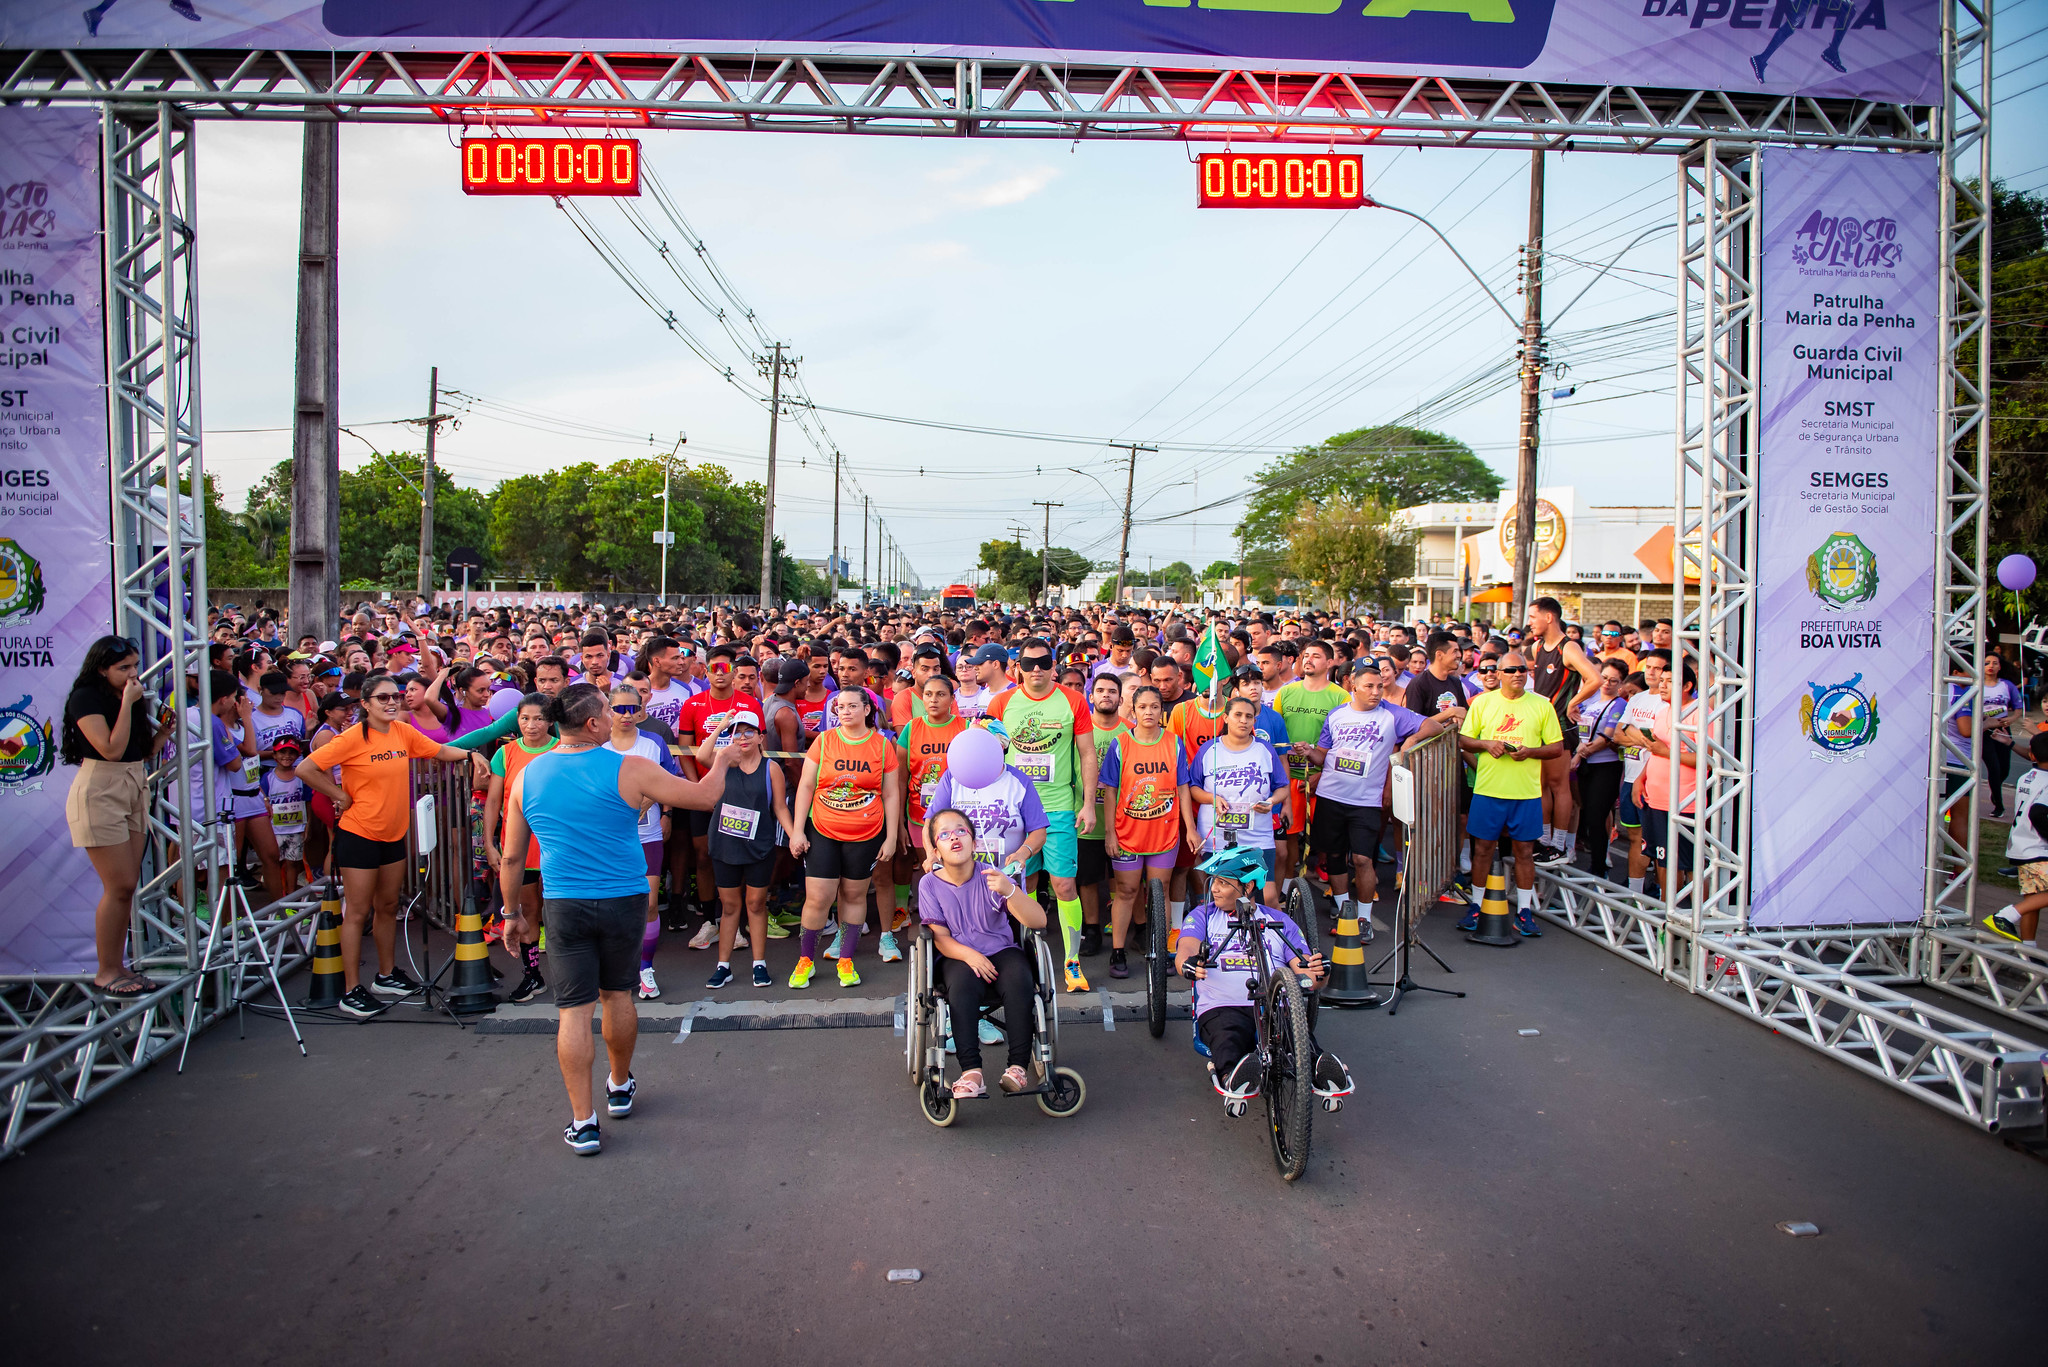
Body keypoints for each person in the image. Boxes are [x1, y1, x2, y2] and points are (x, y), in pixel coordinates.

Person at [496, 684, 736, 1155]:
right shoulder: (629, 767)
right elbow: (706, 796)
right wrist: (723, 758)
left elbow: (511, 858)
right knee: (618, 995)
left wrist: (511, 914)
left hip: (564, 903)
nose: (615, 715)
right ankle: (620, 1085)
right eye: (608, 710)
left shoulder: (529, 775)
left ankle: (583, 1122)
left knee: (573, 1010)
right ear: (591, 723)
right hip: (624, 897)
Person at [298, 673, 493, 1019]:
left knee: (388, 905)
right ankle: (351, 989)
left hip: (394, 833)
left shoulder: (403, 732)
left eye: (396, 696)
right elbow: (306, 767)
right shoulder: (351, 738)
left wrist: (471, 755)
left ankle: (386, 975)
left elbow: (439, 750)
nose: (392, 702)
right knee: (358, 913)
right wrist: (339, 794)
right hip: (358, 833)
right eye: (383, 698)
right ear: (365, 704)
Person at [1172, 846, 1337, 1109]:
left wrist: (1320, 973)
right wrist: (1188, 964)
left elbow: (1306, 974)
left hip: (1274, 1008)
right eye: (1214, 881)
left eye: (1224, 882)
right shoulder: (1203, 915)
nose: (1214, 888)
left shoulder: (1279, 920)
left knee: (1297, 1040)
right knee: (1228, 1039)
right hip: (1222, 1007)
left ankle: (1321, 1070)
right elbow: (1187, 949)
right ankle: (1233, 1078)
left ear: (1248, 886)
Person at [61, 635, 172, 997]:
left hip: (132, 785)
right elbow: (109, 750)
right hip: (101, 789)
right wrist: (128, 702)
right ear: (102, 668)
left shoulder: (125, 697)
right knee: (120, 885)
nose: (132, 674)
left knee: (127, 886)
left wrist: (163, 735)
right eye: (123, 668)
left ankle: (118, 965)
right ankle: (106, 970)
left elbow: (134, 752)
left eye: (135, 667)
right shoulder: (86, 698)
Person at [988, 638, 1098, 991]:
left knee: (1065, 884)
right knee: (1026, 884)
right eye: (1029, 662)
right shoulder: (1002, 701)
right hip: (1012, 809)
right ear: (1016, 666)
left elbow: (1087, 754)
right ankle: (1030, 955)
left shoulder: (1073, 700)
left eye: (1044, 661)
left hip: (1058, 807)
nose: (1037, 668)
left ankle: (1072, 962)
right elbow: (989, 753)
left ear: (1054, 664)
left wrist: (1087, 804)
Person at [1311, 660, 1448, 941]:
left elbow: (1434, 727)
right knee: (1335, 856)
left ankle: (1364, 918)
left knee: (1362, 859)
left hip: (1366, 801)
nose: (1376, 692)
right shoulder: (1336, 715)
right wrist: (1307, 751)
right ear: (1353, 687)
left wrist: (1411, 740)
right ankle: (1343, 910)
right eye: (1369, 687)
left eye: (1380, 686)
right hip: (1331, 795)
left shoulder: (1393, 715)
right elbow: (1323, 754)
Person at [919, 807, 1050, 1096]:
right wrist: (970, 956)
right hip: (957, 955)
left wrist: (1010, 890)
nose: (954, 837)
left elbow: (1038, 921)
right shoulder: (929, 884)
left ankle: (1017, 1067)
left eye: (961, 831)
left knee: (1019, 976)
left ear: (975, 843)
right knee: (962, 983)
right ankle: (972, 1072)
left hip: (1001, 949)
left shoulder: (993, 876)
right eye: (944, 834)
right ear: (937, 851)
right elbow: (939, 937)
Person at [787, 686, 902, 988]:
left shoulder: (881, 745)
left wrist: (891, 837)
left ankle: (846, 960)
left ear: (867, 710)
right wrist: (797, 830)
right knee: (818, 898)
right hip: (823, 829)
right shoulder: (824, 741)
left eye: (852, 706)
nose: (845, 711)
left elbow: (891, 793)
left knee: (854, 896)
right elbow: (806, 788)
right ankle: (805, 960)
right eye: (840, 706)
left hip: (866, 833)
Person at [1456, 650, 1565, 938]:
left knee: (1525, 852)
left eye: (1522, 670)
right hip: (1489, 790)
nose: (1518, 674)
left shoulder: (1542, 705)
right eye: (1511, 670)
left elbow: (1556, 747)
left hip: (1526, 793)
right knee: (1482, 849)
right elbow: (1464, 739)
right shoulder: (1483, 702)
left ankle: (1525, 912)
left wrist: (1532, 752)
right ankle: (1476, 906)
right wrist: (1487, 744)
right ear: (1499, 675)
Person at [1096, 684, 1190, 978]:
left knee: (1158, 892)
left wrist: (1191, 828)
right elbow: (1110, 792)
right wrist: (1110, 833)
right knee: (1126, 891)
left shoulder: (1174, 743)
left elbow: (1183, 787)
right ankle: (1118, 952)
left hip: (1164, 833)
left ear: (1162, 710)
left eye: (1154, 706)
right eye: (1142, 707)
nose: (1148, 712)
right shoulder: (1119, 744)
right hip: (1127, 834)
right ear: (1132, 710)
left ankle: (1159, 950)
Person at [697, 712, 797, 988]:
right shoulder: (724, 761)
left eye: (748, 732)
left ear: (760, 737)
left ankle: (759, 964)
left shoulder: (771, 768)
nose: (742, 738)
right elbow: (702, 756)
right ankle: (723, 965)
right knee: (730, 906)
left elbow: (779, 807)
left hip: (758, 846)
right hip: (725, 845)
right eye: (737, 732)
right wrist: (720, 727)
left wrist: (794, 835)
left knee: (755, 904)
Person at [605, 686, 681, 1001]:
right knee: (613, 906)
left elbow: (671, 779)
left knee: (649, 903)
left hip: (647, 835)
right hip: (609, 838)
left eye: (631, 708)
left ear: (640, 709)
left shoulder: (654, 742)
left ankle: (645, 968)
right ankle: (616, 968)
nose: (625, 715)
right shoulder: (601, 746)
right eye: (618, 708)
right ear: (608, 709)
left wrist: (656, 805)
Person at [483, 693, 555, 1004]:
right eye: (525, 718)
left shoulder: (562, 748)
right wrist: (488, 842)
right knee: (527, 912)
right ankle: (533, 976)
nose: (531, 724)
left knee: (561, 911)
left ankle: (576, 975)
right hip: (519, 845)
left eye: (538, 718)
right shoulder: (505, 753)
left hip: (556, 843)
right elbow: (494, 801)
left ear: (550, 721)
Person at [1189, 695, 1291, 906]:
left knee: (1267, 896)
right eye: (1238, 715)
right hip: (1218, 836)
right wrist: (1212, 798)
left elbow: (1283, 787)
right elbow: (1193, 788)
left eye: (1249, 716)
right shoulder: (1209, 749)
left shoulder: (1264, 749)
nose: (1244, 720)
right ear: (1225, 718)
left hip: (1258, 836)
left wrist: (1271, 801)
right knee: (1221, 895)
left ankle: (1266, 937)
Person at [1524, 597, 1602, 866]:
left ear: (1548, 617)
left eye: (1533, 616)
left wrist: (1574, 702)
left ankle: (1560, 845)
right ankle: (1544, 840)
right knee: (1541, 784)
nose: (1529, 622)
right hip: (1540, 724)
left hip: (1560, 726)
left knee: (1560, 786)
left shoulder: (1568, 648)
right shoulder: (1536, 647)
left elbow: (1595, 679)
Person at [1075, 671, 1126, 957]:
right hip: (1086, 818)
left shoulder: (1130, 731)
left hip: (1123, 821)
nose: (1106, 695)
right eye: (1101, 690)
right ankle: (1091, 929)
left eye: (1112, 691)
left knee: (1125, 879)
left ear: (1120, 698)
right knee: (1088, 879)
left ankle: (1137, 928)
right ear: (1091, 696)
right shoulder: (1079, 730)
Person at [1984, 732, 2048, 944]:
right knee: (2032, 900)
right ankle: (2006, 915)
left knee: (2034, 897)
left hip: (2021, 845)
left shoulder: (2027, 777)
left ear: (2031, 755)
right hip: (2038, 848)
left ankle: (2028, 952)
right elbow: (2038, 813)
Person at [1571, 660, 1632, 880]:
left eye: (1613, 680)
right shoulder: (1589, 701)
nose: (1606, 683)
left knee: (1598, 815)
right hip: (1586, 766)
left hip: (1606, 766)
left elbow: (1608, 737)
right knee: (1587, 813)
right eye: (1604, 677)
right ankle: (1596, 860)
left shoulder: (1619, 705)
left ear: (1621, 684)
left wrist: (1579, 754)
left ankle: (1599, 866)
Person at [261, 736, 310, 896]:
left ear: (297, 755)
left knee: (293, 864)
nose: (286, 756)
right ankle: (275, 896)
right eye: (282, 752)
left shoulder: (301, 777)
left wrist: (308, 825)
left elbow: (308, 801)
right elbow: (262, 802)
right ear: (274, 755)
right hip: (274, 830)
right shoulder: (267, 778)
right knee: (273, 863)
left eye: (291, 753)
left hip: (296, 828)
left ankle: (291, 896)